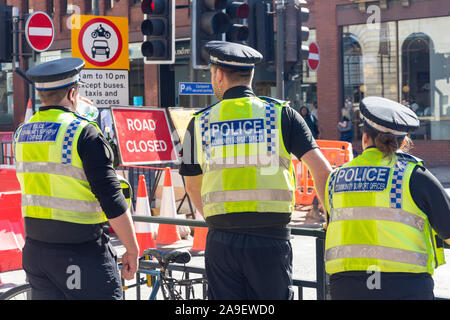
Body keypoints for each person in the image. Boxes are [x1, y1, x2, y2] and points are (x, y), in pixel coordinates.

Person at [179, 41, 332, 300]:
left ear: (218, 74)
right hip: (271, 240)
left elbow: (192, 185)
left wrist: (217, 219)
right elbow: (323, 171)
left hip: (222, 240)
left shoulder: (199, 123)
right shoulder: (282, 115)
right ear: (250, 75)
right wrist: (330, 217)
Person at [13, 58, 139, 300]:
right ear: (73, 93)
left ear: (42, 95)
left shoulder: (22, 133)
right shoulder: (83, 132)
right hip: (80, 253)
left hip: (36, 251)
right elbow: (111, 197)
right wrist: (131, 249)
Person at [324, 96, 450, 300]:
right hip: (404, 288)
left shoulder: (335, 178)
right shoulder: (413, 176)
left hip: (346, 287)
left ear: (365, 138)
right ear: (403, 142)